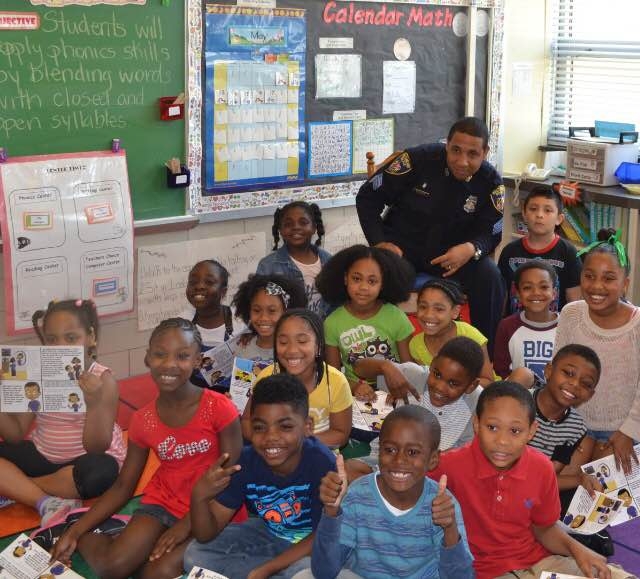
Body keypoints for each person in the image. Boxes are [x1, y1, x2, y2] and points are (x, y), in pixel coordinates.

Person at [49, 318, 242, 579]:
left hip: (210, 509)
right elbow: (123, 486)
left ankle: (134, 543)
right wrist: (75, 532)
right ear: (148, 358)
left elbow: (233, 475)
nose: (170, 364)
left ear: (197, 360)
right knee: (113, 568)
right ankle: (89, 530)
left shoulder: (219, 407)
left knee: (154, 574)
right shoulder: (143, 420)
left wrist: (185, 525)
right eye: (160, 354)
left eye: (183, 356)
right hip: (163, 502)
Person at [429, 381, 629, 579]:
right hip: (483, 571)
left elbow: (544, 529)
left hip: (539, 563)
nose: (502, 441)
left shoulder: (541, 468)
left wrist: (579, 551)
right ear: (476, 424)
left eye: (515, 431)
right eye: (492, 427)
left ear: (532, 431)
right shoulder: (449, 465)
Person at [356, 116, 506, 350]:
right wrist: (379, 243)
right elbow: (368, 197)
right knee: (369, 273)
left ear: (485, 152)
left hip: (451, 260)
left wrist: (471, 249)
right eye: (455, 150)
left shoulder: (491, 182)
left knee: (490, 275)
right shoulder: (417, 159)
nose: (462, 161)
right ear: (447, 144)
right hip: (401, 252)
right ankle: (374, 351)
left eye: (472, 154)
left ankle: (485, 353)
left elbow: (492, 231)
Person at [184, 374, 337, 579]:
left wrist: (266, 569)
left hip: (309, 546)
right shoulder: (246, 460)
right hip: (269, 534)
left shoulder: (321, 462)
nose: (270, 437)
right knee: (194, 556)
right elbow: (205, 535)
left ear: (308, 426)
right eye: (259, 427)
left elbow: (322, 536)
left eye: (285, 426)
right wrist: (199, 496)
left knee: (307, 573)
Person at [304, 406, 473, 579]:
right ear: (379, 451)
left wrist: (450, 529)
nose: (399, 460)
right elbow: (324, 572)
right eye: (390, 450)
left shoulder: (442, 504)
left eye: (413, 452)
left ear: (433, 460)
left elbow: (462, 576)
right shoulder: (357, 496)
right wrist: (331, 512)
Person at [0, 299, 125, 525]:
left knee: (101, 472)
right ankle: (46, 500)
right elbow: (15, 434)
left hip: (83, 462)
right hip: (45, 456)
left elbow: (96, 447)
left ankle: (18, 487)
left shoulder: (103, 380)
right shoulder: (37, 372)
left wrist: (94, 403)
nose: (61, 347)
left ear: (91, 337)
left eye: (71, 338)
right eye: (51, 339)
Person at [555, 228, 640, 474]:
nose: (597, 286)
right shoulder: (571, 314)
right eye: (589, 276)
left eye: (609, 278)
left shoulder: (636, 325)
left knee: (609, 504)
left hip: (623, 432)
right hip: (571, 426)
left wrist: (628, 432)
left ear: (625, 284)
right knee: (560, 496)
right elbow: (559, 370)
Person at [347, 337, 485, 480]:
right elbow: (358, 367)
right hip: (387, 458)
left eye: (453, 383)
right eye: (437, 375)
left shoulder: (477, 402)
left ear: (471, 386)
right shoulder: (414, 376)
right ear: (433, 363)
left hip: (435, 471)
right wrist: (385, 366)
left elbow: (465, 454)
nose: (439, 387)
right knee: (347, 471)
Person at [316, 245, 416, 402]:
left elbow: (410, 368)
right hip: (356, 396)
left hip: (394, 393)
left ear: (382, 284)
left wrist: (399, 390)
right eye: (356, 278)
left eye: (372, 281)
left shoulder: (396, 317)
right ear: (345, 278)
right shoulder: (332, 322)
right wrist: (355, 387)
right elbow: (333, 375)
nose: (363, 287)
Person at [245, 310, 353, 449]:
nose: (292, 350)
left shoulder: (336, 381)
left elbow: (340, 434)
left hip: (318, 454)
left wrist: (297, 442)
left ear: (319, 346)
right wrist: (267, 441)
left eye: (302, 341)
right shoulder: (267, 377)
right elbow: (247, 421)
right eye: (283, 342)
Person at [499, 185, 582, 315]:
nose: (539, 215)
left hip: (555, 328)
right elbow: (502, 298)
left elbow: (575, 301)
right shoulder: (509, 251)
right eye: (533, 209)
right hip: (516, 326)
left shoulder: (568, 253)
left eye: (548, 210)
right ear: (524, 214)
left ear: (559, 219)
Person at [409, 279, 496, 385]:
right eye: (423, 307)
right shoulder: (416, 345)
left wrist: (456, 386)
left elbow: (488, 381)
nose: (429, 315)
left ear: (455, 312)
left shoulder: (470, 335)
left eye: (439, 309)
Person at [256, 201, 331, 316]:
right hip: (286, 330)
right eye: (288, 224)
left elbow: (335, 302)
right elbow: (264, 304)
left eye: (303, 223)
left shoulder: (328, 261)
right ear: (280, 230)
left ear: (314, 227)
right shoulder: (268, 266)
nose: (296, 227)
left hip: (323, 330)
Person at [493, 260, 559, 382]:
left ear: (554, 293)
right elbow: (500, 372)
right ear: (518, 294)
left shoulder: (567, 325)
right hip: (517, 396)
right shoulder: (507, 326)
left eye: (543, 287)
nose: (536, 293)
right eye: (528, 287)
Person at [231, 274, 307, 367]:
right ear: (248, 310)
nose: (263, 318)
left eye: (272, 311)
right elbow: (242, 380)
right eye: (256, 310)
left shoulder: (296, 350)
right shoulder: (242, 348)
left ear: (287, 312)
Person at [185, 259, 236, 391]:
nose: (199, 286)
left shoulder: (240, 321)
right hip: (195, 395)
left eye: (209, 282)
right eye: (193, 282)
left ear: (223, 292)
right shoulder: (182, 323)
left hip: (231, 398)